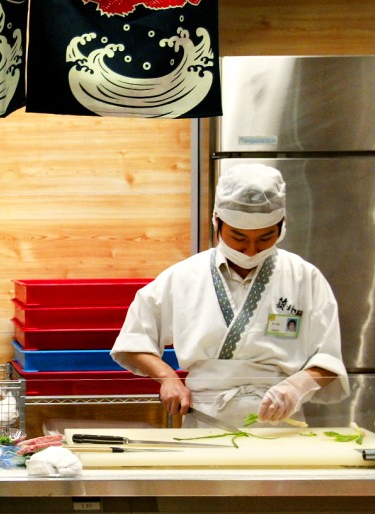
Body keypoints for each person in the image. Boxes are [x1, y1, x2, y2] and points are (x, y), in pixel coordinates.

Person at [110, 164, 348, 428]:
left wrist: (296, 387)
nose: (250, 250)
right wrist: (167, 377)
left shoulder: (305, 277)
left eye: (265, 238)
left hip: (280, 422)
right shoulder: (184, 277)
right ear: (217, 222)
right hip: (204, 419)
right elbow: (133, 342)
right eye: (238, 238)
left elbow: (327, 358)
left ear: (282, 226)